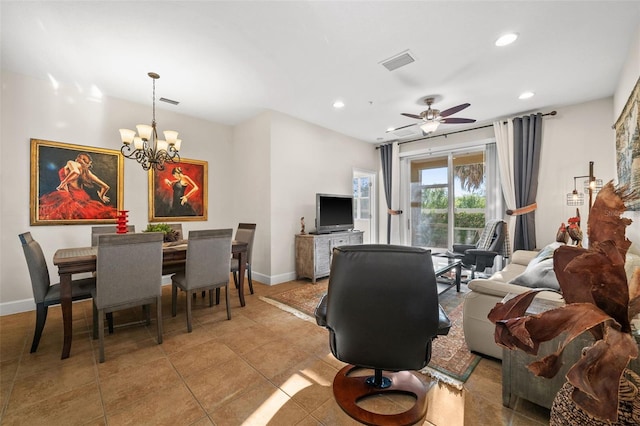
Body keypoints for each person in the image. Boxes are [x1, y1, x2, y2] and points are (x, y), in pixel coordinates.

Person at [38, 152, 117, 220]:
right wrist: (102, 196)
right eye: (79, 157)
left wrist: (63, 182)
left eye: (83, 159)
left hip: (70, 195)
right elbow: (105, 186)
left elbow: (76, 172)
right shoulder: (87, 172)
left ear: (87, 163)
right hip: (83, 196)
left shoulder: (71, 163)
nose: (79, 159)